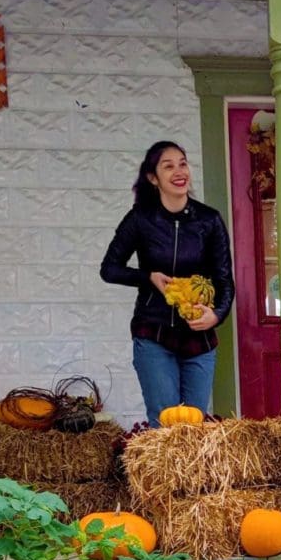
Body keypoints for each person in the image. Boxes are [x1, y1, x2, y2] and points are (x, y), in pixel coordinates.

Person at [100, 140, 234, 425]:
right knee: (164, 425)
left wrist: (217, 314)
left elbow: (224, 279)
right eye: (168, 166)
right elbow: (109, 269)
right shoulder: (140, 219)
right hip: (154, 333)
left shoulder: (209, 221)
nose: (179, 171)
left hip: (199, 337)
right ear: (153, 178)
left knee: (194, 426)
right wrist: (148, 278)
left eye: (183, 163)